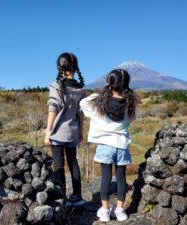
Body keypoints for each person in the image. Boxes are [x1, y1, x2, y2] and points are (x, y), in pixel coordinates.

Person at [80, 69, 139, 221]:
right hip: (121, 145)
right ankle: (120, 210)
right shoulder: (129, 104)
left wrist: (103, 92)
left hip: (105, 144)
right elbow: (132, 119)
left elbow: (83, 103)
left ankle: (105, 211)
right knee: (121, 178)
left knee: (106, 177)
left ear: (109, 82)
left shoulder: (100, 104)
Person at [44, 52, 86, 206]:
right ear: (75, 67)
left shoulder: (56, 86)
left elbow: (52, 109)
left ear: (59, 67)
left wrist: (48, 131)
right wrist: (80, 132)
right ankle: (77, 197)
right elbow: (81, 114)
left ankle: (62, 197)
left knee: (59, 165)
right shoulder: (81, 89)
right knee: (73, 163)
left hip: (57, 133)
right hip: (72, 132)